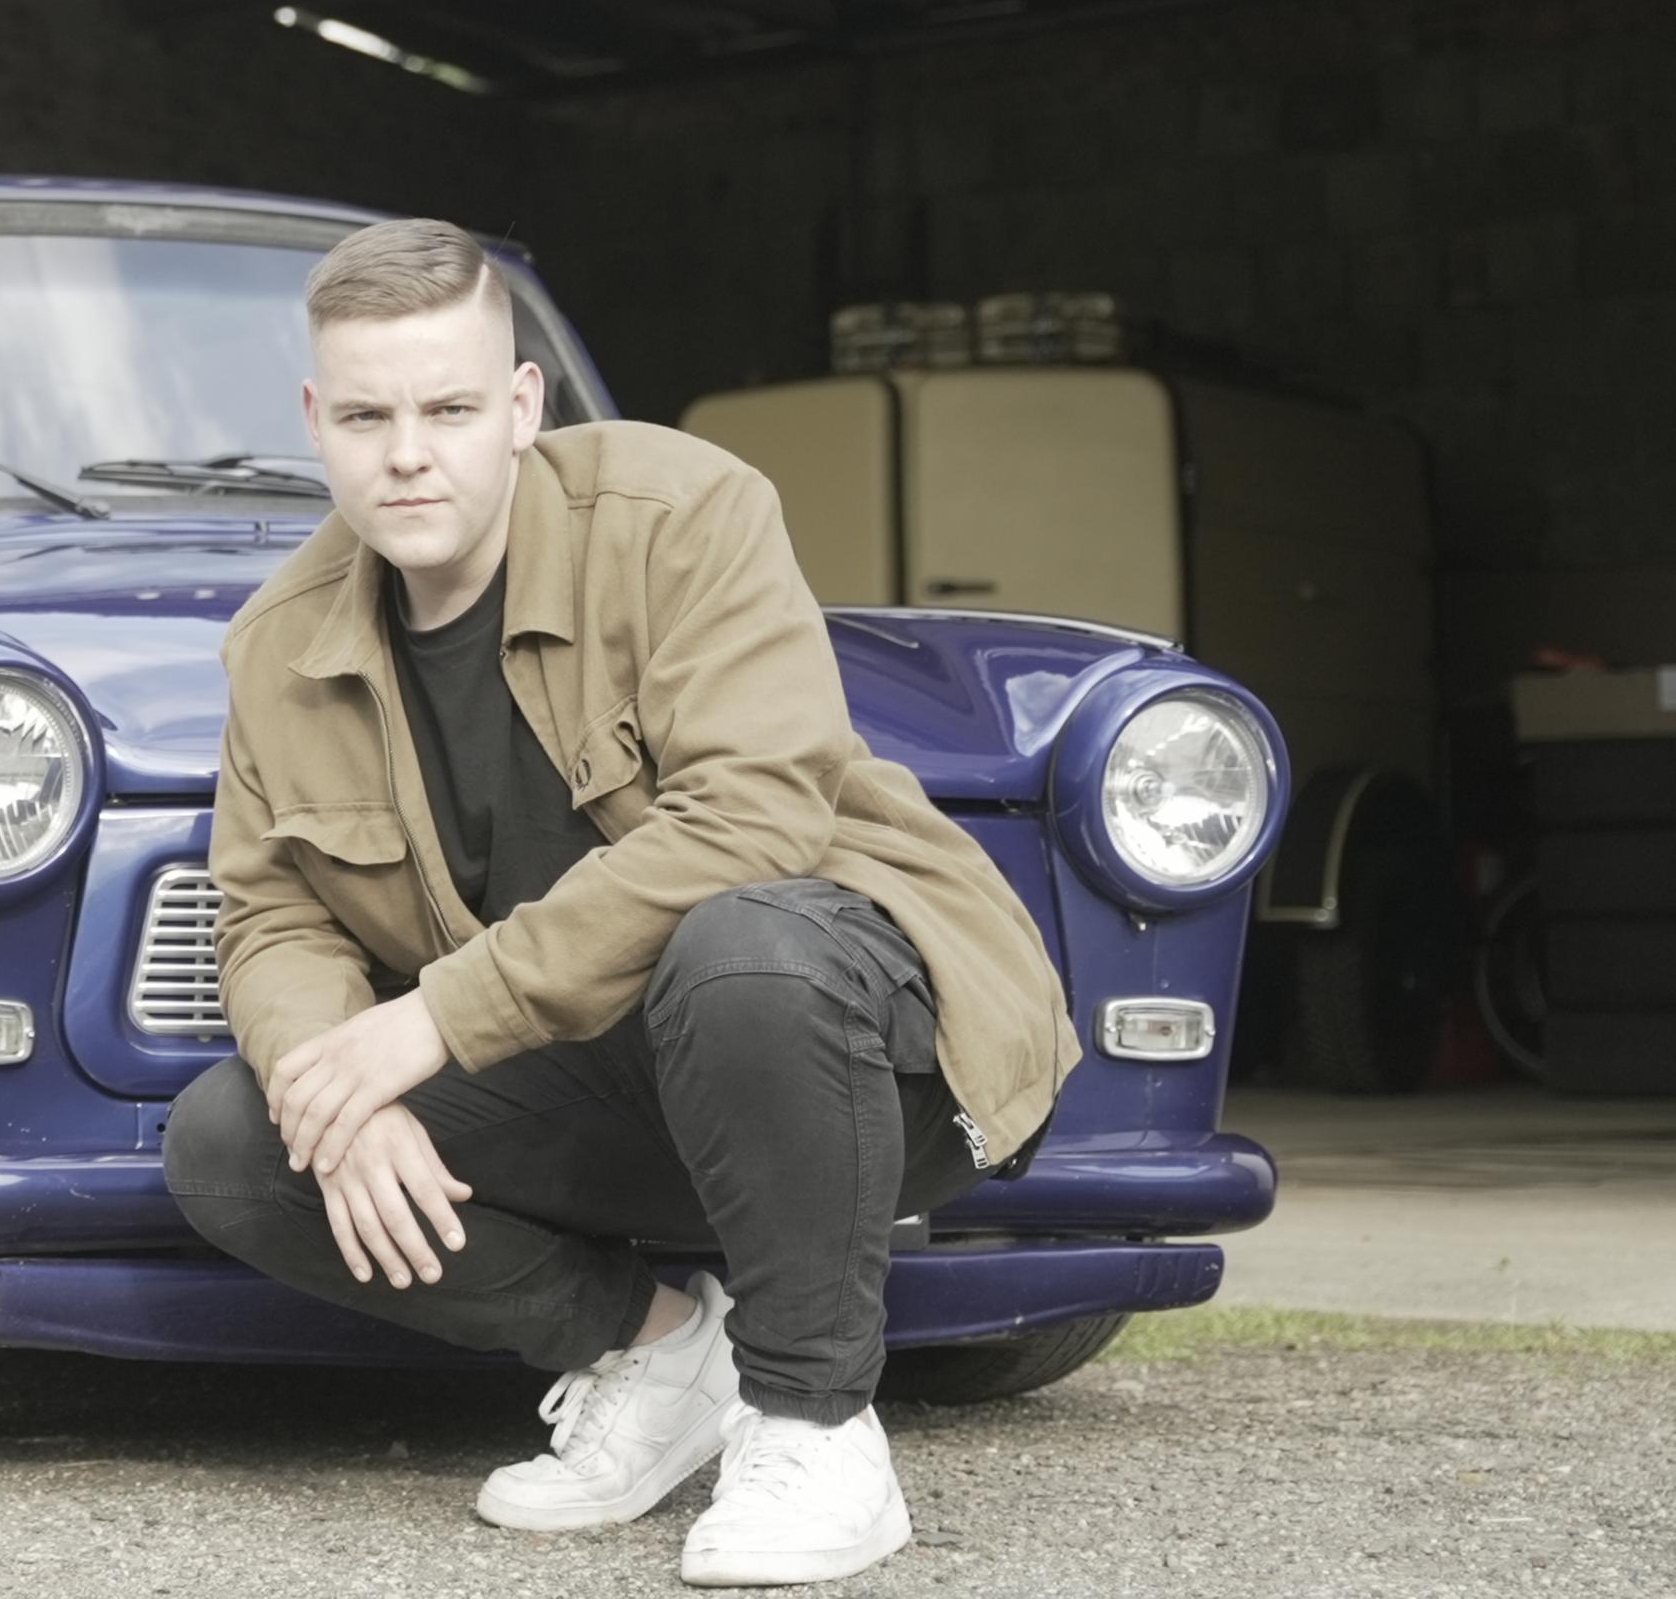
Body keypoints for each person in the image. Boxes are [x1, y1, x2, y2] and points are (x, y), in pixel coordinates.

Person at [160, 219, 1076, 1588]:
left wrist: (429, 1027)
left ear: (521, 405)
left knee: (741, 949)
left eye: (451, 408)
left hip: (860, 1069)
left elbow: (760, 819)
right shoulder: (279, 646)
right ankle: (657, 1353)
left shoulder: (683, 514)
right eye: (367, 414)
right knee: (235, 1140)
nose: (408, 451)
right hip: (604, 1088)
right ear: (317, 420)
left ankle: (817, 1426)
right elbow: (274, 921)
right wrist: (325, 1082)